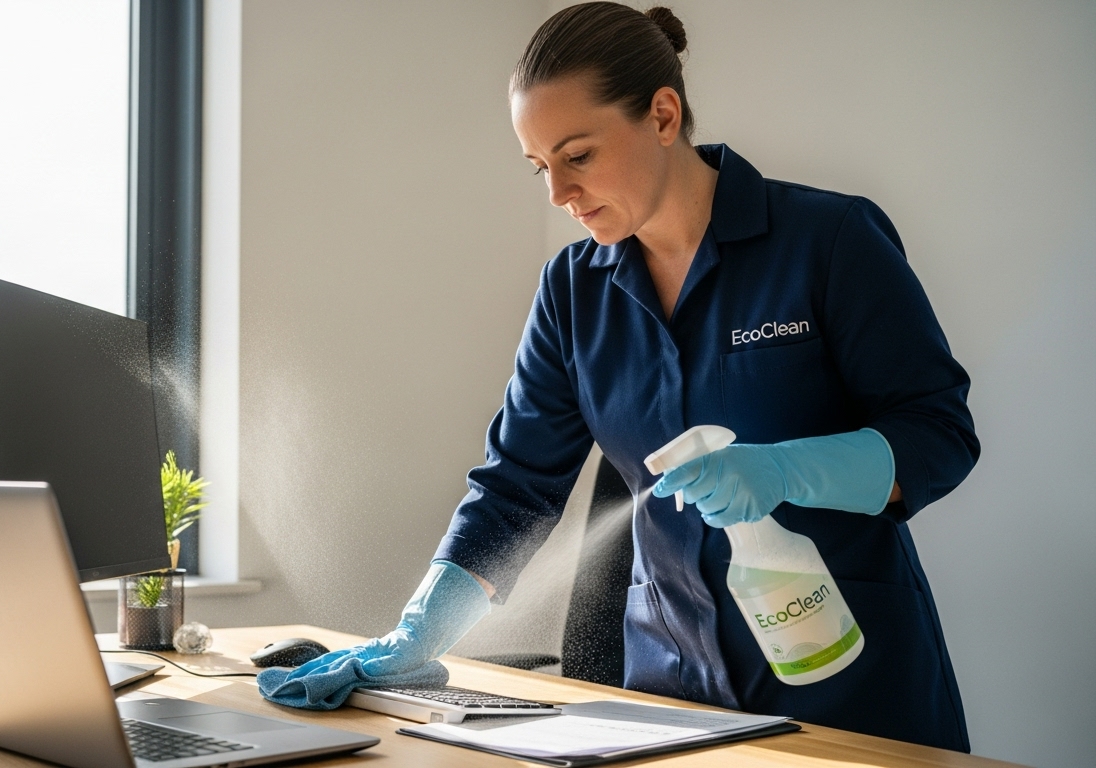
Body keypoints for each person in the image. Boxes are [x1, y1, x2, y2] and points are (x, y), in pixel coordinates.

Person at [260, 2, 977, 753]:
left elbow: (938, 436)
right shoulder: (573, 292)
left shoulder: (827, 241)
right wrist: (416, 635)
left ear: (663, 116)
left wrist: (786, 469)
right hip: (669, 692)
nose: (558, 194)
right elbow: (516, 490)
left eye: (578, 156)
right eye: (540, 166)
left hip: (851, 686)